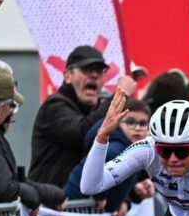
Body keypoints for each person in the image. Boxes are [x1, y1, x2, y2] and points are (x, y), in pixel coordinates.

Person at [0, 65, 66, 214]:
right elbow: (0, 187)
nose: (11, 113)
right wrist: (32, 196)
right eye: (11, 106)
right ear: (0, 109)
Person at [30, 45, 136, 186]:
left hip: (75, 204)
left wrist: (130, 195)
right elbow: (84, 134)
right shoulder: (53, 106)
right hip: (48, 204)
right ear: (67, 76)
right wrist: (120, 96)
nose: (94, 75)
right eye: (86, 69)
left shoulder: (96, 108)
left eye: (99, 71)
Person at [64, 99, 153, 216]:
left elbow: (117, 182)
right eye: (130, 122)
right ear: (119, 122)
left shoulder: (132, 147)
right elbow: (101, 170)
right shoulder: (116, 148)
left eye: (142, 123)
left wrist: (127, 198)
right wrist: (100, 196)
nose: (137, 128)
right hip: (76, 207)